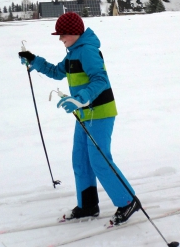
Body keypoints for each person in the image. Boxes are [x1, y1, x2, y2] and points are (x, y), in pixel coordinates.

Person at [18, 12, 140, 224]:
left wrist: (81, 98)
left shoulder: (88, 51)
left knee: (99, 161)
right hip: (84, 114)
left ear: (74, 33)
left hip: (100, 112)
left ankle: (128, 202)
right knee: (81, 160)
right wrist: (34, 60)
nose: (60, 38)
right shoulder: (73, 53)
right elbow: (57, 72)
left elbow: (100, 79)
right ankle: (88, 205)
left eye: (62, 34)